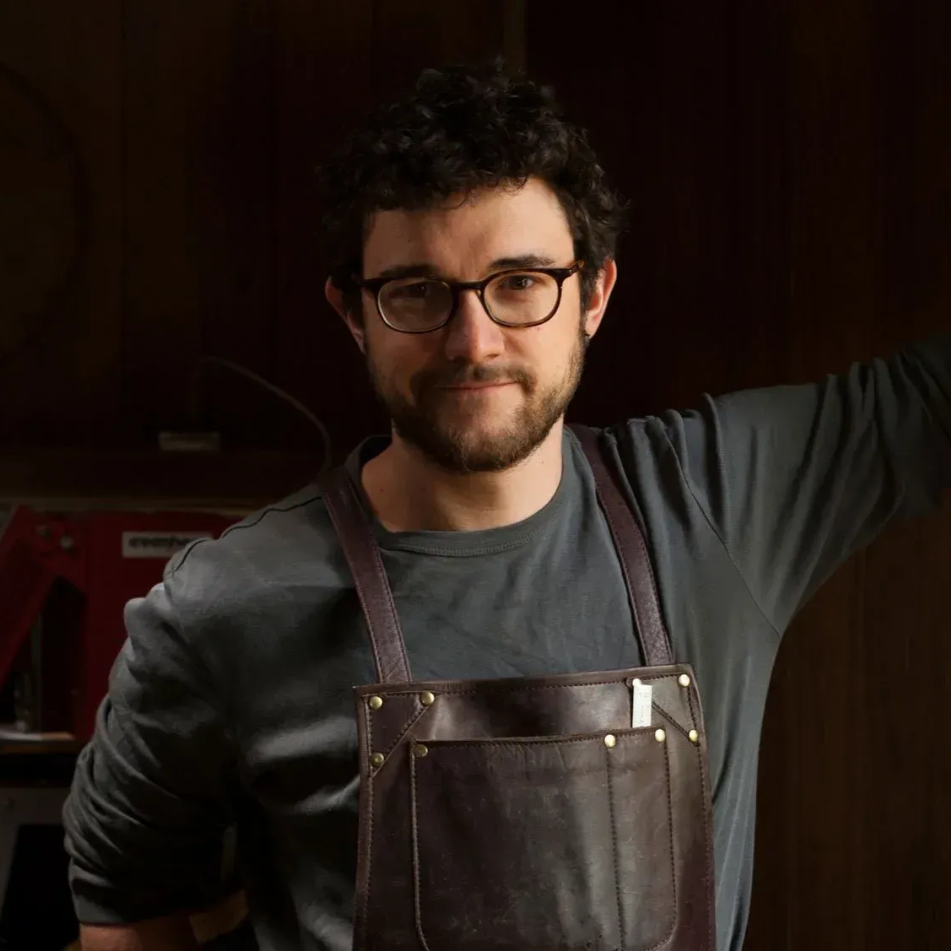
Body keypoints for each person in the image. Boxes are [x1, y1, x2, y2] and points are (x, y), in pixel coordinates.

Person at [64, 62, 951, 951]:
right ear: (352, 314)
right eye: (417, 292)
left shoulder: (718, 498)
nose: (473, 341)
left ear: (593, 294)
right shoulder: (226, 604)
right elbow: (125, 905)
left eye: (520, 282)